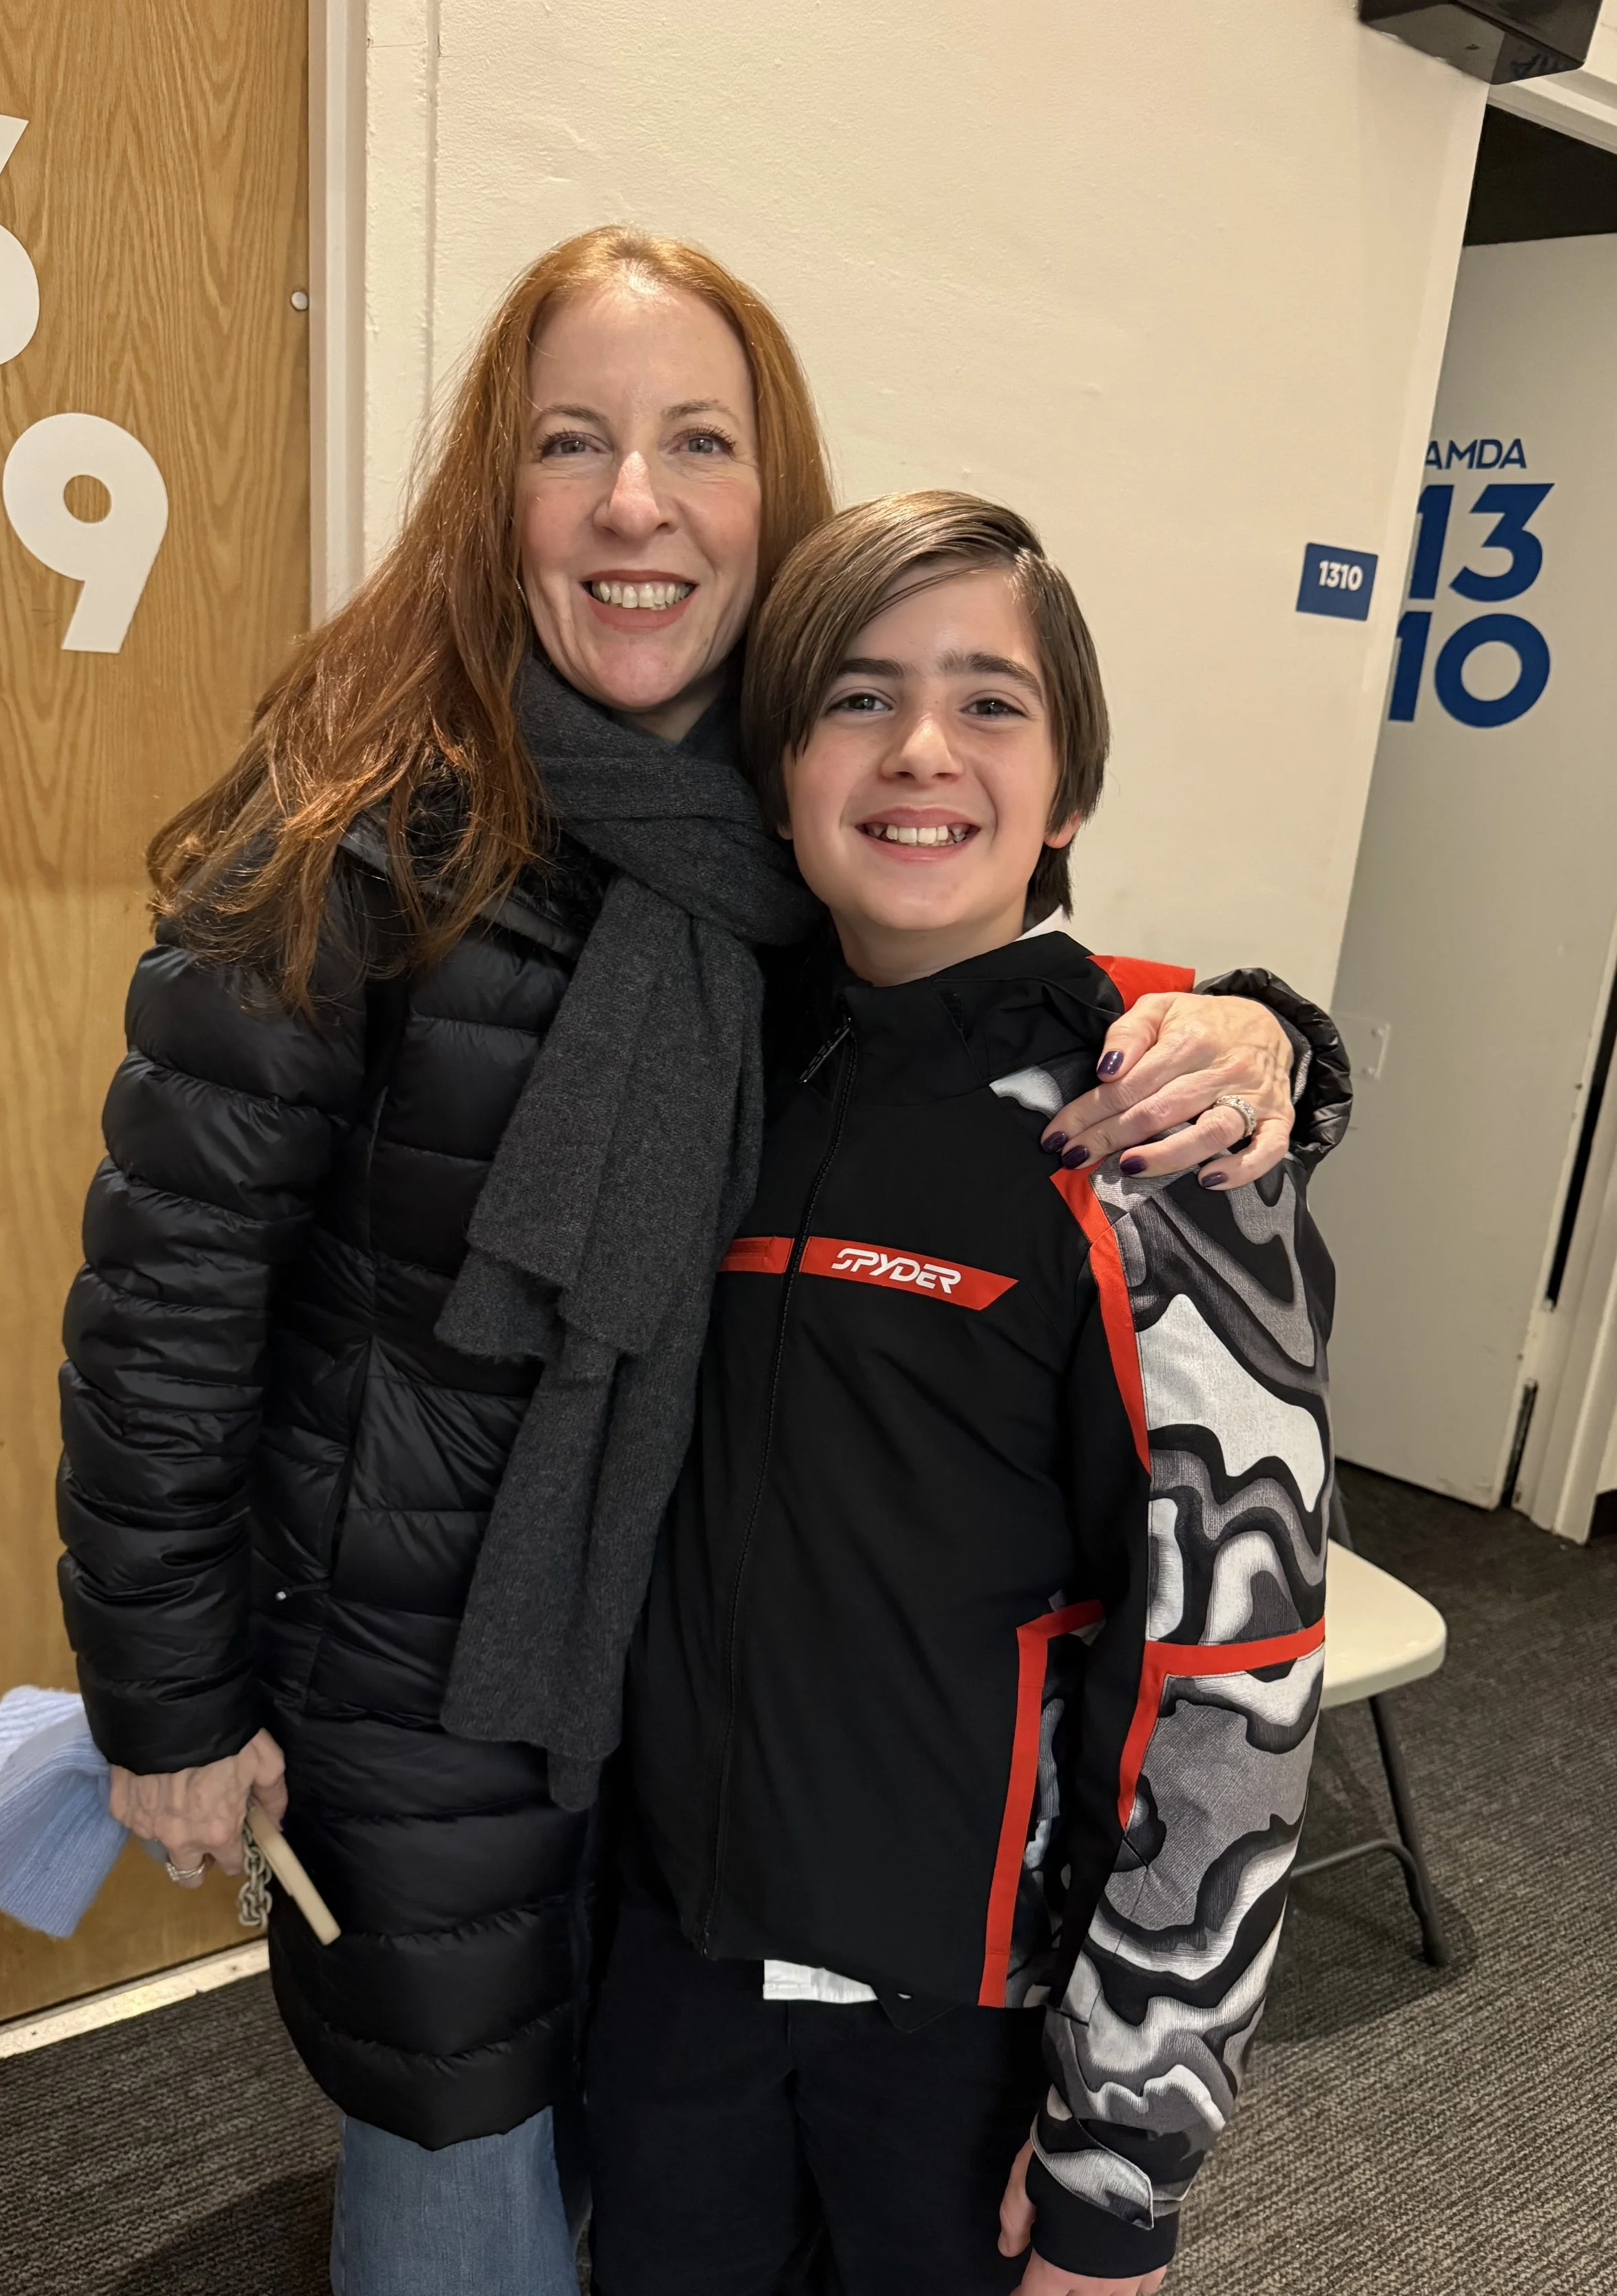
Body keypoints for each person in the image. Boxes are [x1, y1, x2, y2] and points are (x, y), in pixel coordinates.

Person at [56, 232, 1344, 2295]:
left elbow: (998, 1014)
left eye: (695, 443)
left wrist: (1271, 1034)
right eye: (570, 442)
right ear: (498, 496)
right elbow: (163, 1316)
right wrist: (168, 1690)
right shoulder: (348, 838)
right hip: (425, 1718)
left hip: (715, 1783)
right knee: (469, 2190)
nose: (634, 499)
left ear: (775, 505)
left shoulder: (771, 884)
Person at [595, 493, 1335, 2296]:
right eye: (855, 696)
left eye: (988, 701)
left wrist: (1120, 2151)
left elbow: (1233, 1687)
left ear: (1066, 788)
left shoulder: (1155, 1140)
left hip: (961, 2035)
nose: (921, 748)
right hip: (672, 1983)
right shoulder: (706, 1069)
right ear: (776, 775)